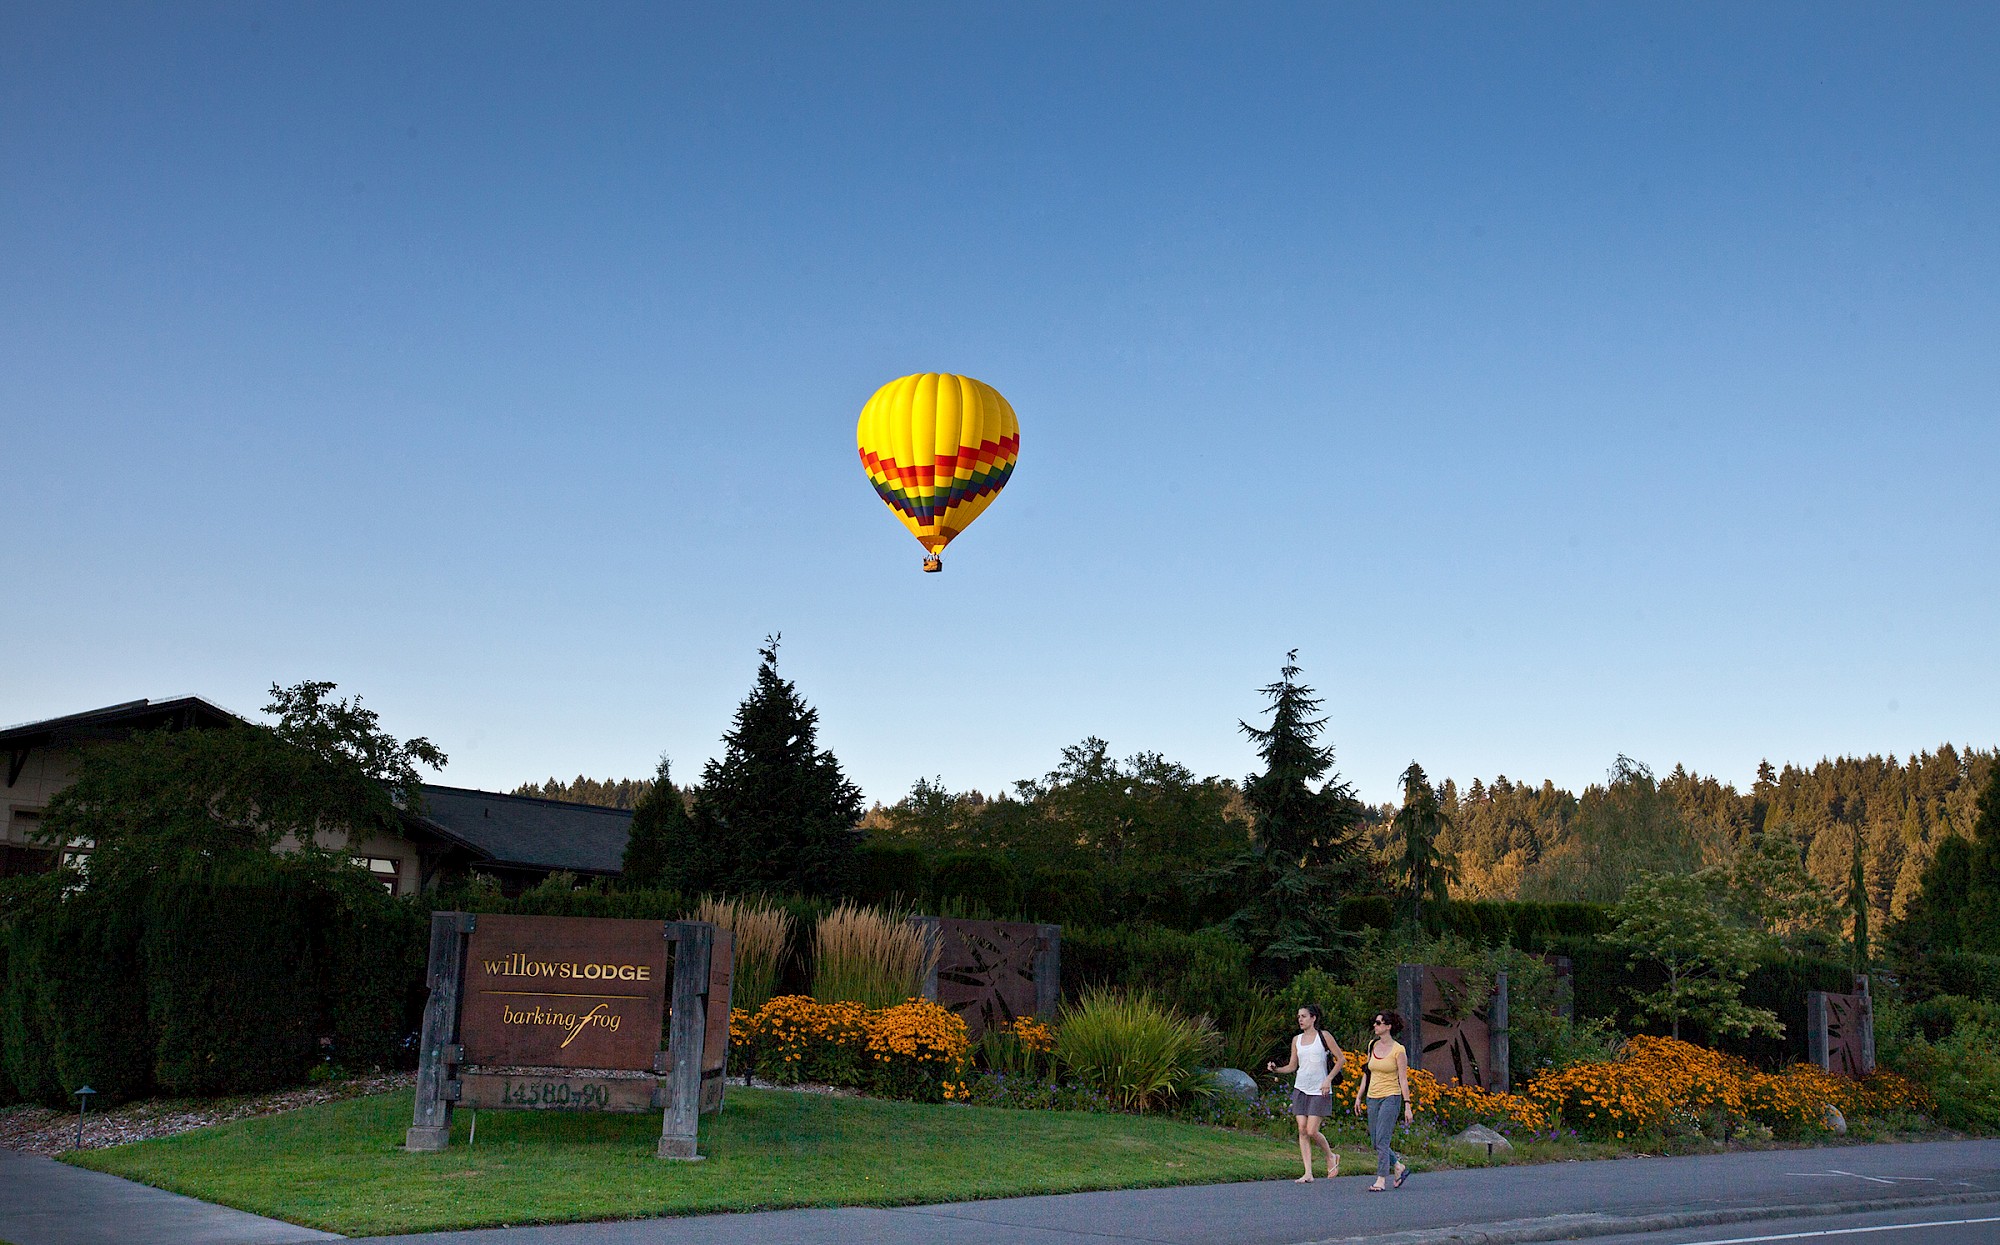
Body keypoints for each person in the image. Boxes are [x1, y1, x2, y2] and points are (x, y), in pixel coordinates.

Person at [1266, 1004, 1343, 1182]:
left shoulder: (1323, 1036)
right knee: (1302, 1130)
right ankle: (1308, 1172)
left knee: (1311, 1130)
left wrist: (1328, 1079)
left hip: (1319, 1089)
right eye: (1298, 1016)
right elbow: (1293, 1066)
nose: (1300, 1019)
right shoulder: (1296, 1040)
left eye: (1304, 1016)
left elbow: (1341, 1059)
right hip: (1301, 1087)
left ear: (1313, 1018)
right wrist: (1276, 1069)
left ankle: (1331, 1156)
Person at [1354, 1010, 1412, 1191]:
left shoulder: (1398, 1050)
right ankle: (1398, 1166)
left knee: (1383, 1140)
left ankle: (1381, 1178)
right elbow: (1367, 1072)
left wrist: (1407, 1105)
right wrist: (1359, 1095)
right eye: (1375, 1022)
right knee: (1375, 1140)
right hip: (1372, 1096)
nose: (1375, 1025)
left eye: (1378, 1023)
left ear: (1388, 1026)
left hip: (1391, 1096)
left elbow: (1403, 1078)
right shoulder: (1372, 1045)